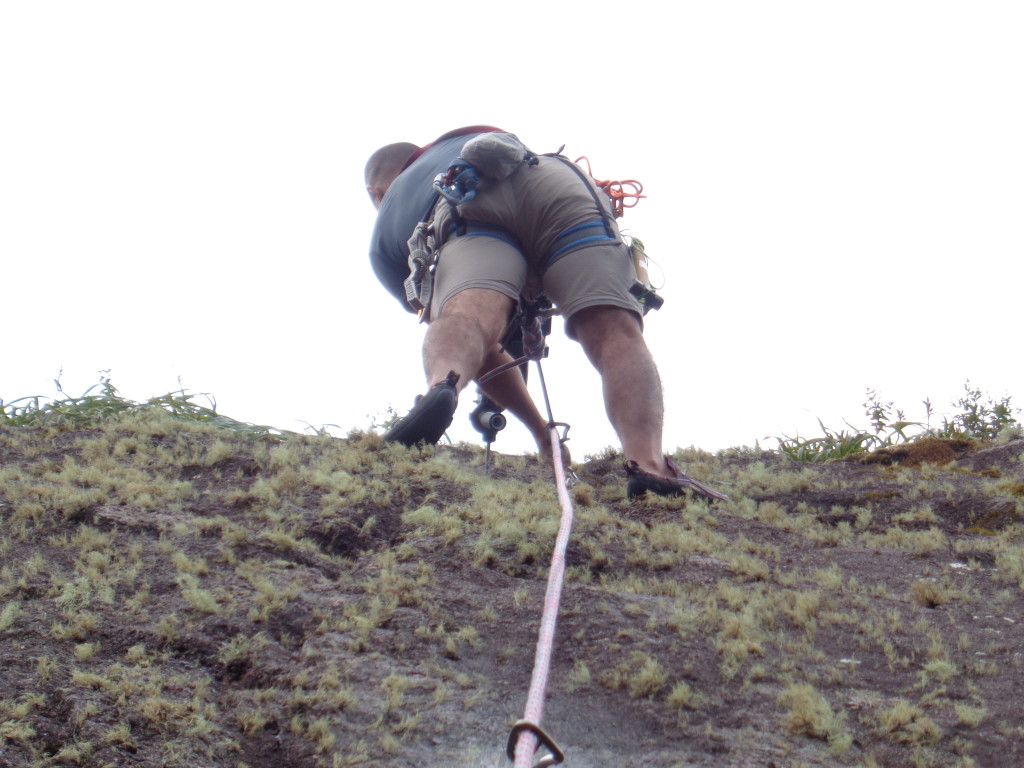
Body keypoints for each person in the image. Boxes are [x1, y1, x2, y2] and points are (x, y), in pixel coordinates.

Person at [365, 126, 727, 501]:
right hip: (549, 180)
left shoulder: (386, 231)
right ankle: (649, 466)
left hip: (464, 207)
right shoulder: (460, 140)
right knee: (614, 332)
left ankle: (442, 386)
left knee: (466, 318)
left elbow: (484, 353)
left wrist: (539, 430)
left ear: (376, 192)